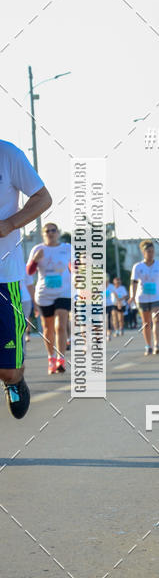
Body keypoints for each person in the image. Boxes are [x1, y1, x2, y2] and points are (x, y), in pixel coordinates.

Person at [0, 140, 52, 417]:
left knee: (7, 370)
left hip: (4, 277)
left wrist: (10, 224)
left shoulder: (7, 154)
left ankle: (15, 380)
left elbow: (43, 198)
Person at [27, 223, 71, 374]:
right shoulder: (38, 249)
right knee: (48, 329)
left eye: (53, 230)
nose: (50, 233)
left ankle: (61, 359)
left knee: (60, 326)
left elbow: (76, 267)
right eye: (47, 231)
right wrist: (35, 261)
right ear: (43, 234)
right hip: (44, 293)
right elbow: (29, 272)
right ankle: (51, 357)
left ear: (58, 232)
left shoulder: (67, 248)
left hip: (63, 292)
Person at [130, 240, 159, 355]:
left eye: (152, 251)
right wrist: (132, 295)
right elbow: (134, 282)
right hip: (142, 298)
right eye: (148, 251)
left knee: (157, 319)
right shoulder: (138, 267)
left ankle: (156, 344)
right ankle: (148, 345)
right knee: (146, 323)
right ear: (143, 252)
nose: (151, 254)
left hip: (157, 297)